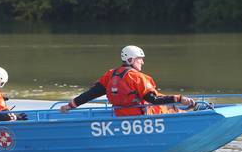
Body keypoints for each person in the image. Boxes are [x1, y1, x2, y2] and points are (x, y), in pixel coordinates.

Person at [60, 45, 195, 116]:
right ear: (130, 60)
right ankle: (190, 113)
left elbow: (91, 94)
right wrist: (178, 98)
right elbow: (154, 100)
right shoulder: (137, 77)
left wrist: (70, 106)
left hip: (120, 115)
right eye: (139, 59)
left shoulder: (110, 74)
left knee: (170, 105)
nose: (142, 62)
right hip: (142, 117)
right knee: (170, 108)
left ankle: (186, 109)